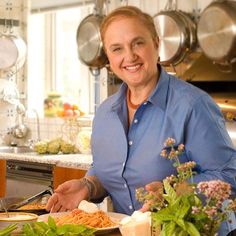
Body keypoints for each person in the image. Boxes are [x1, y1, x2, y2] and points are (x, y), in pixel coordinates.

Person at [46, 6, 236, 235]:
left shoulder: (193, 105)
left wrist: (173, 191)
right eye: (117, 48)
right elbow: (111, 171)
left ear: (156, 44)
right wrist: (88, 186)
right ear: (109, 57)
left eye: (138, 43)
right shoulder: (106, 113)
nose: (130, 56)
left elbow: (229, 175)